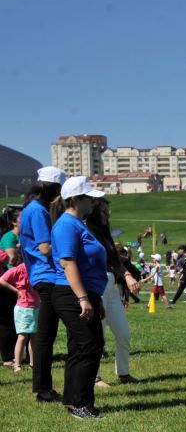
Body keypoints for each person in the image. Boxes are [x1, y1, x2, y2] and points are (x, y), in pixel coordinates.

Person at [50, 176, 108, 419]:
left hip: (82, 293)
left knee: (82, 346)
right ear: (75, 199)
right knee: (89, 345)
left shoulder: (76, 223)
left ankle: (76, 401)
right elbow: (67, 262)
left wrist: (94, 299)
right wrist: (83, 298)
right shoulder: (66, 225)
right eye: (89, 198)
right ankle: (80, 404)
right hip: (71, 294)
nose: (94, 202)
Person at [19, 166, 67, 401]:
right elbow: (45, 247)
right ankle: (43, 389)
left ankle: (43, 388)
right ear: (52, 188)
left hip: (41, 275)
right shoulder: (38, 211)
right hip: (47, 275)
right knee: (46, 336)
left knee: (45, 335)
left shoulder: (30, 208)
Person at [85, 198, 141, 384]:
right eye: (103, 211)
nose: (107, 214)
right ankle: (95, 377)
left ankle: (123, 373)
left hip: (111, 285)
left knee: (123, 332)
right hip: (96, 285)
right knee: (98, 334)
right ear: (94, 212)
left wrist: (127, 275)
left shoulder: (104, 232)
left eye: (108, 211)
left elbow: (115, 260)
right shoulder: (86, 231)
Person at [0, 251, 39, 372]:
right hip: (23, 307)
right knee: (22, 337)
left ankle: (33, 363)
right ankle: (17, 364)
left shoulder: (35, 268)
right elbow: (1, 280)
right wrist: (16, 291)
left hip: (35, 306)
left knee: (34, 336)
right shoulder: (19, 269)